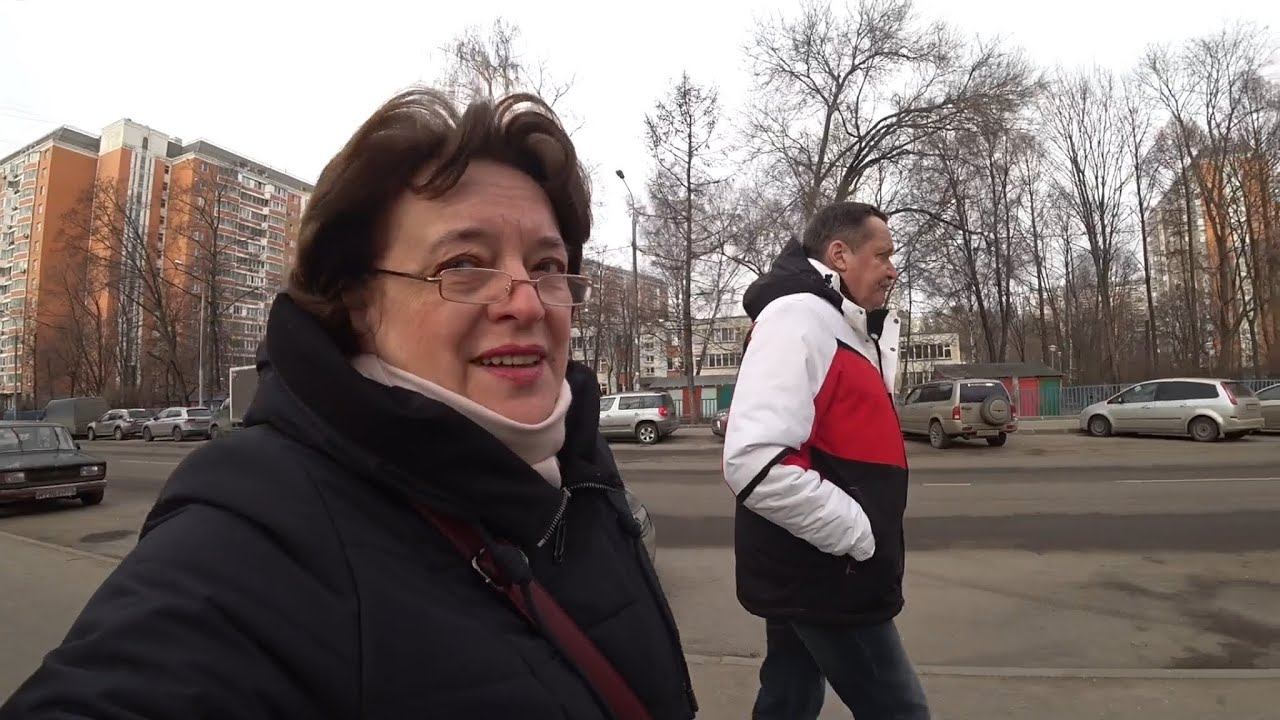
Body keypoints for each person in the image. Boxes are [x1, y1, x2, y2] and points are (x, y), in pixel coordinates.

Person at [0, 88, 696, 720]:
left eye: (547, 266)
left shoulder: (579, 465)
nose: (528, 302)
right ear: (360, 303)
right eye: (462, 265)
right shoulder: (265, 514)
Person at [722, 202, 929, 720]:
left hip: (811, 568)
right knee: (900, 710)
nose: (892, 270)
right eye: (882, 255)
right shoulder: (797, 318)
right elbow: (756, 461)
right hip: (830, 575)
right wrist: (859, 535)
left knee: (789, 698)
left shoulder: (842, 323)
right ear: (839, 255)